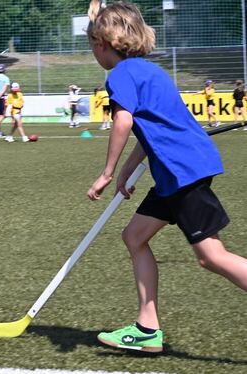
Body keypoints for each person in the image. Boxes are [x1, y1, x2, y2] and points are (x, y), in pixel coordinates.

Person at [86, 0, 247, 353]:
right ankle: (147, 328)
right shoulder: (150, 71)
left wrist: (107, 172)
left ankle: (147, 327)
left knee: (211, 257)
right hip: (175, 174)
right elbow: (151, 131)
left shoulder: (120, 75)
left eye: (92, 45)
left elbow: (125, 122)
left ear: (101, 44)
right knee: (134, 236)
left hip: (182, 172)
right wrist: (128, 172)